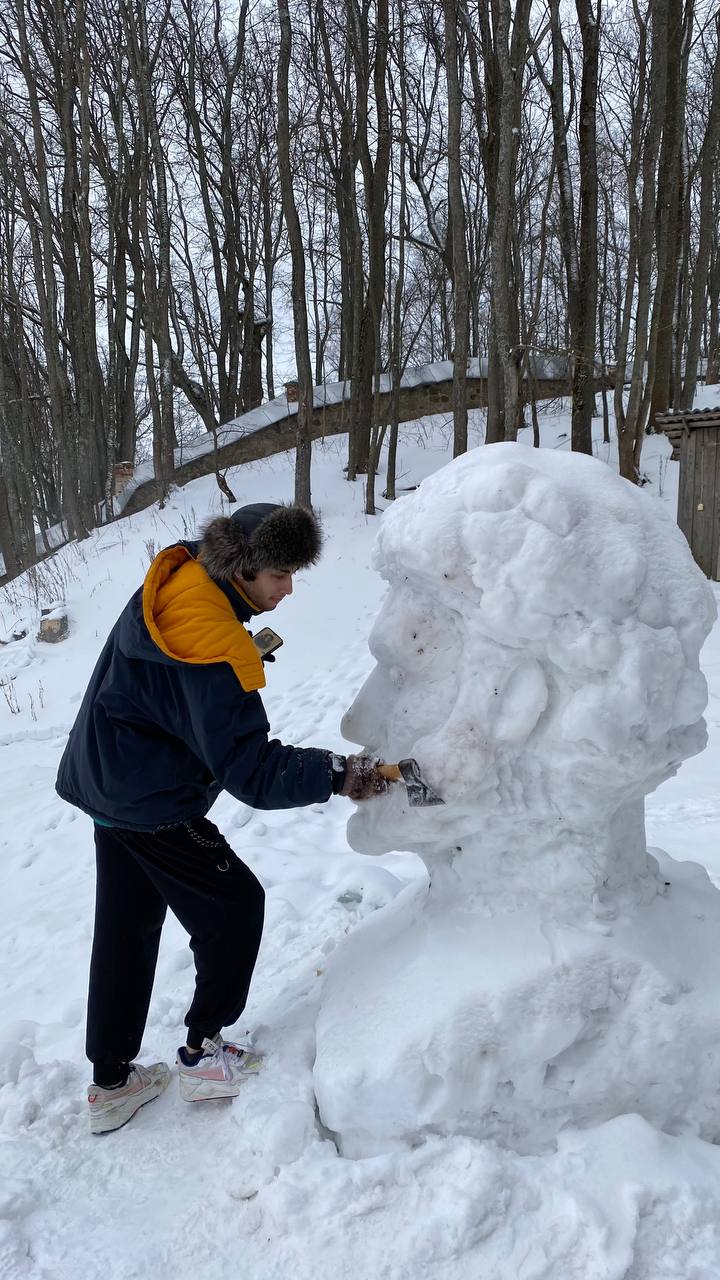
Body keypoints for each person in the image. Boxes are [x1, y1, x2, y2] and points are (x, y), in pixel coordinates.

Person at [56, 502, 388, 1134]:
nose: (288, 590)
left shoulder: (184, 578)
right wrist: (338, 774)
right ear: (243, 569)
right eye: (280, 575)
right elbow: (251, 770)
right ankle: (203, 1052)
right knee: (234, 909)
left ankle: (112, 1083)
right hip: (148, 799)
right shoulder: (212, 642)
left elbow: (172, 691)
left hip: (108, 773)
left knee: (126, 927)